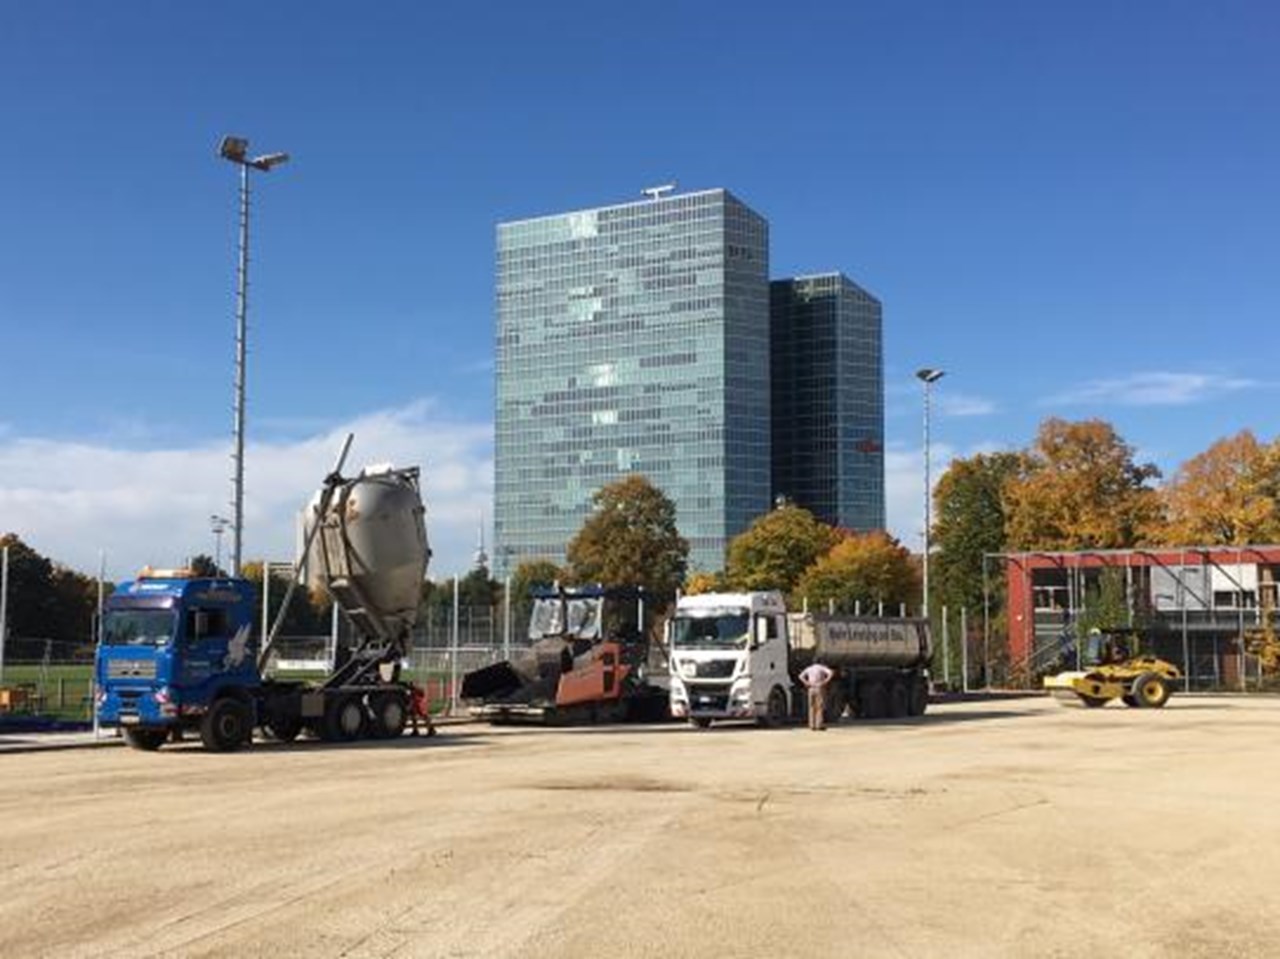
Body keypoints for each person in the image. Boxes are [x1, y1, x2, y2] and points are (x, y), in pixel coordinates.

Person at [798, 662, 835, 731]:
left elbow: (800, 676)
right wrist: (825, 681)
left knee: (811, 707)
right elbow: (831, 673)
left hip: (811, 688)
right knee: (819, 706)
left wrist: (806, 683)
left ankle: (812, 725)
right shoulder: (821, 668)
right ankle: (819, 725)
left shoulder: (809, 668)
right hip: (819, 687)